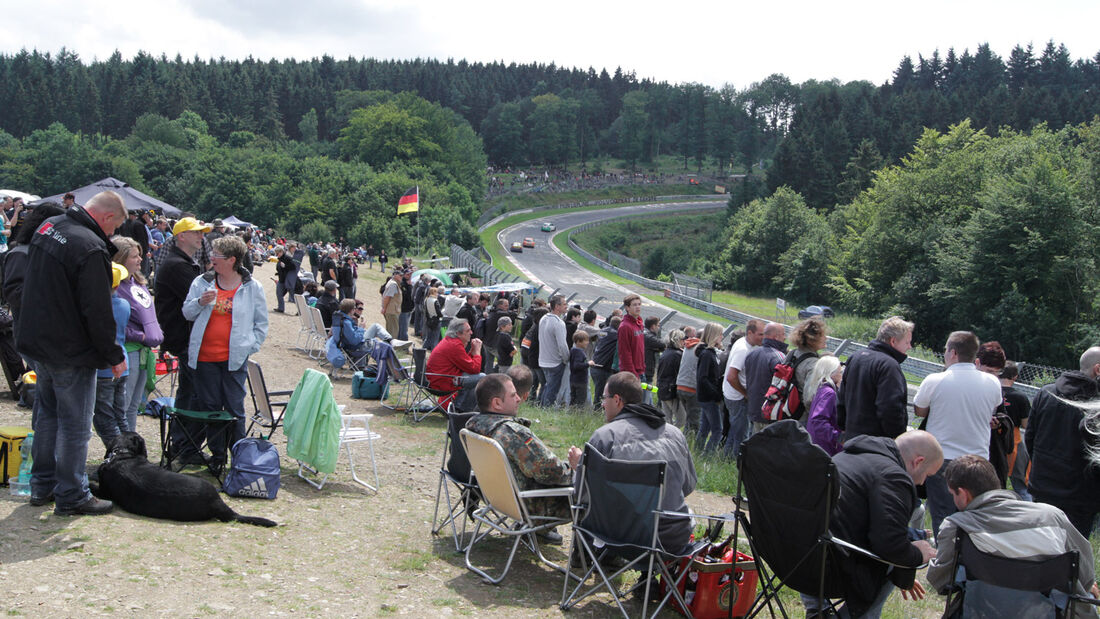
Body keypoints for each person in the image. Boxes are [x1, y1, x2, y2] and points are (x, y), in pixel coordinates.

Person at [18, 190, 129, 515]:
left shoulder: (48, 226)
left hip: (40, 341)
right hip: (70, 349)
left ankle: (42, 486)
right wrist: (112, 353)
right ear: (106, 218)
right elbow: (97, 309)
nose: (111, 235)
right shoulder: (90, 246)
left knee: (48, 416)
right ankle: (71, 494)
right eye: (113, 228)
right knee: (75, 425)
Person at [925, 455, 1100, 613]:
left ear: (963, 494)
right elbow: (1084, 573)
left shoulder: (957, 527)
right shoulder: (1052, 516)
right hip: (1047, 613)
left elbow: (941, 582)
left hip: (982, 611)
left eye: (953, 495)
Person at [815, 430, 942, 618]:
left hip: (800, 557)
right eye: (927, 475)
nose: (923, 482)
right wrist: (916, 555)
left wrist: (903, 570)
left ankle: (815, 609)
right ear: (918, 462)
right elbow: (889, 546)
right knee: (893, 558)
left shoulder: (846, 456)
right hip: (833, 568)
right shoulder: (893, 477)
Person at [569, 371, 697, 551]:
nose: (603, 404)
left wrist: (579, 467)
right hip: (672, 536)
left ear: (617, 400)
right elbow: (687, 487)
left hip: (621, 537)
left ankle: (589, 558)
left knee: (588, 508)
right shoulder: (675, 434)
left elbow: (583, 494)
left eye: (604, 398)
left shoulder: (606, 437)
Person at [181, 236, 269, 474]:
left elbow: (261, 324)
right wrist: (200, 301)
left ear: (232, 259)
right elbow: (187, 313)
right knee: (211, 409)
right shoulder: (202, 282)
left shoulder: (252, 287)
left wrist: (249, 346)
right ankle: (217, 457)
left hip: (234, 360)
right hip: (204, 358)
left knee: (234, 410)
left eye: (217, 256)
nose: (211, 259)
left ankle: (239, 458)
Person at [914, 331, 1002, 536]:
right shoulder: (992, 383)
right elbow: (994, 407)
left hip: (942, 457)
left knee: (942, 515)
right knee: (974, 516)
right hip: (977, 458)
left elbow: (920, 410)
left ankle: (945, 559)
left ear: (952, 353)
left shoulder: (935, 380)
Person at [465, 373, 572, 528]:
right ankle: (592, 549)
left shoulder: (473, 426)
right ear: (496, 403)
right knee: (590, 490)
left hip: (496, 499)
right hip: (531, 506)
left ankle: (540, 533)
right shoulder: (512, 433)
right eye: (513, 395)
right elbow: (550, 471)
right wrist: (577, 469)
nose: (519, 399)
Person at [155, 216, 211, 466]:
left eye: (202, 233)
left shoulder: (183, 262)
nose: (202, 236)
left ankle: (182, 445)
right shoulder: (177, 265)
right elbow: (197, 300)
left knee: (190, 393)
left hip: (184, 337)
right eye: (196, 232)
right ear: (181, 236)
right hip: (184, 338)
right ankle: (184, 447)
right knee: (194, 395)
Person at [1026, 346, 1100, 537]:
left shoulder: (1046, 393)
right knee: (1073, 553)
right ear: (1097, 370)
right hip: (1080, 496)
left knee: (1041, 546)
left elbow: (1030, 438)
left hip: (1043, 487)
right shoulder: (1095, 405)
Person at [113, 235, 163, 433]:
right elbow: (112, 321)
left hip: (144, 351)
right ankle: (120, 448)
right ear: (121, 258)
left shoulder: (138, 282)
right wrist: (139, 336)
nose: (140, 259)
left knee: (135, 405)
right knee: (123, 405)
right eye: (135, 256)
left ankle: (130, 443)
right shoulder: (115, 287)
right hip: (129, 350)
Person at [839, 316, 914, 441]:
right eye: (907, 342)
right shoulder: (889, 366)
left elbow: (841, 398)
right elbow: (890, 408)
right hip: (876, 443)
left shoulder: (856, 357)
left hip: (851, 437)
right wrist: (897, 438)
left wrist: (843, 426)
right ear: (893, 341)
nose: (910, 347)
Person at [91, 263, 132, 451]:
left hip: (104, 369)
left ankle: (120, 453)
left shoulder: (97, 307)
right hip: (123, 364)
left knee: (104, 418)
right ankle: (131, 450)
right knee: (119, 415)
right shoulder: (124, 304)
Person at [723, 319, 763, 459]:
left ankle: (725, 458)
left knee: (735, 431)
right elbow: (731, 376)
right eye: (760, 334)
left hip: (731, 394)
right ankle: (737, 463)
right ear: (750, 332)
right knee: (742, 435)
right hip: (737, 397)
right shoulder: (743, 350)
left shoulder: (744, 344)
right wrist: (745, 394)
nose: (762, 337)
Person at [425, 318, 484, 412]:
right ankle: (461, 409)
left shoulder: (451, 341)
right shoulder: (454, 345)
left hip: (438, 378)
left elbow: (465, 365)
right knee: (481, 377)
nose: (471, 333)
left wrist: (472, 352)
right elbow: (474, 369)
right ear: (458, 333)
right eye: (468, 330)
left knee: (472, 377)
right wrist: (477, 352)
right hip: (441, 382)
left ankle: (460, 406)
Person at [743, 322, 788, 433]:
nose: (785, 337)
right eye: (783, 334)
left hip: (754, 409)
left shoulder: (752, 354)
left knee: (753, 445)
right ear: (776, 336)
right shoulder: (780, 357)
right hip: (770, 413)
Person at [998, 361, 1032, 500]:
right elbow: (1026, 424)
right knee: (1021, 486)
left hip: (991, 440)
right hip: (1013, 442)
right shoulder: (1020, 397)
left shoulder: (991, 391)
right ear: (1015, 376)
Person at [694, 322, 726, 453]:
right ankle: (707, 456)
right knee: (717, 430)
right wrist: (716, 394)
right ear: (713, 336)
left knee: (705, 427)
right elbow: (703, 377)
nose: (722, 337)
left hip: (705, 396)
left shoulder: (708, 353)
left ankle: (697, 452)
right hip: (709, 397)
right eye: (720, 335)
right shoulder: (707, 354)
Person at [805, 355, 844, 456]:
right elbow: (818, 420)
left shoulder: (821, 388)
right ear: (831, 373)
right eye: (840, 372)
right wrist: (838, 437)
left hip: (817, 444)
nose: (841, 375)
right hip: (826, 447)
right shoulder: (829, 392)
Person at [788, 316, 827, 416]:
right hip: (801, 416)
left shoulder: (792, 353)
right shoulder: (813, 364)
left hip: (787, 409)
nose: (826, 338)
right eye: (822, 335)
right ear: (812, 339)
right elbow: (809, 399)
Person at [538, 294, 570, 408]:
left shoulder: (543, 318)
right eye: (564, 304)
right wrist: (566, 359)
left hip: (543, 360)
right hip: (555, 362)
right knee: (552, 389)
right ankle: (546, 409)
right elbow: (562, 345)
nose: (567, 306)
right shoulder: (559, 323)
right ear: (557, 306)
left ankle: (541, 406)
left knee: (547, 386)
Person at [588, 315, 620, 411]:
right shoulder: (615, 334)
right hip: (603, 367)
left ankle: (598, 409)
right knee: (602, 392)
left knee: (599, 390)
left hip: (595, 364)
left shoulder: (602, 331)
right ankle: (597, 410)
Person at [675, 326, 703, 433]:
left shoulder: (687, 346)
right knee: (694, 421)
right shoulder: (700, 349)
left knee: (689, 418)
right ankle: (687, 442)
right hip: (692, 387)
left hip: (681, 385)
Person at [657, 329, 687, 427]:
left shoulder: (666, 353)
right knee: (682, 419)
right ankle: (672, 437)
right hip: (671, 390)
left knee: (667, 419)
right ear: (678, 340)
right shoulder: (678, 355)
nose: (684, 341)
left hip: (662, 388)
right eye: (683, 339)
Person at [617, 294, 646, 379]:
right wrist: (633, 375)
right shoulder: (625, 327)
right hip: (631, 374)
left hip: (641, 371)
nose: (638, 307)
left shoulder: (639, 323)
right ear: (627, 308)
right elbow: (625, 353)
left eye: (639, 304)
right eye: (634, 305)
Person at [569, 330, 590, 408]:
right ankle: (577, 415)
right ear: (579, 342)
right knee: (580, 401)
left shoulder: (573, 350)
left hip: (573, 380)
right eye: (586, 340)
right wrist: (588, 364)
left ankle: (571, 413)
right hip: (580, 381)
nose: (587, 342)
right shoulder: (579, 352)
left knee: (573, 399)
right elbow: (577, 365)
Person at [643, 316, 666, 385]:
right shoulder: (648, 337)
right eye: (658, 325)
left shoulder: (644, 333)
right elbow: (663, 345)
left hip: (645, 370)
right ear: (653, 326)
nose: (659, 328)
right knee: (647, 394)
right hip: (646, 371)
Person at [273, 245, 296, 313]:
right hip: (281, 280)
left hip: (288, 281)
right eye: (276, 253)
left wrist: (285, 266)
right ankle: (281, 308)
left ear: (281, 252)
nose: (277, 255)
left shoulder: (288, 258)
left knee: (293, 296)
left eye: (278, 253)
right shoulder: (279, 259)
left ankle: (301, 310)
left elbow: (293, 267)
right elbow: (280, 269)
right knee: (279, 293)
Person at [380, 269, 402, 340]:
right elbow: (387, 297)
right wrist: (384, 308)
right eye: (400, 275)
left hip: (392, 310)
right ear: (395, 275)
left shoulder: (393, 283)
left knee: (391, 329)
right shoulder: (393, 284)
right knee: (393, 331)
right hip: (391, 311)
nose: (401, 277)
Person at [423, 286, 443, 350]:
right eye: (436, 292)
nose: (437, 294)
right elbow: (439, 312)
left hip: (429, 320)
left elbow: (426, 311)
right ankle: (433, 351)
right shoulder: (435, 301)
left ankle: (423, 349)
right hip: (436, 320)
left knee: (428, 337)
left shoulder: (426, 299)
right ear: (434, 292)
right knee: (435, 338)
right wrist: (442, 315)